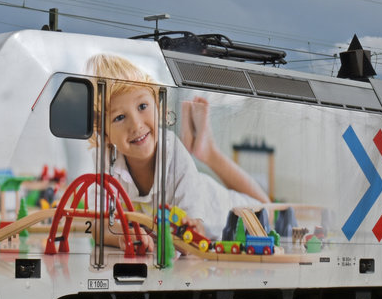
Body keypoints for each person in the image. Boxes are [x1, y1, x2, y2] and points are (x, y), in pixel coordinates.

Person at [88, 53, 269, 241]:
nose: (136, 125)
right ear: (104, 133)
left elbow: (195, 228)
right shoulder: (104, 159)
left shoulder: (171, 149)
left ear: (158, 105)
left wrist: (191, 228)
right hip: (194, 185)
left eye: (142, 106)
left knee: (267, 211)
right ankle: (204, 150)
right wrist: (122, 237)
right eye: (119, 117)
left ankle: (209, 151)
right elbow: (98, 225)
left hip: (216, 203)